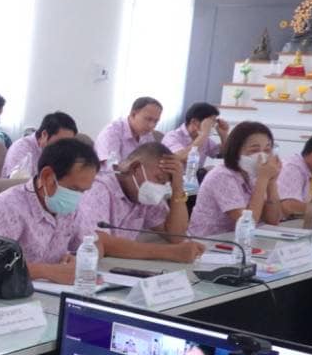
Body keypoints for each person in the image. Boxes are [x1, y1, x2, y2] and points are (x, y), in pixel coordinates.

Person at [0, 137, 104, 284]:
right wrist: (48, 271)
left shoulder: (71, 209)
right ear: (47, 176)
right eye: (74, 189)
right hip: (12, 292)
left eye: (83, 191)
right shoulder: (7, 207)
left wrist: (79, 260)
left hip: (54, 290)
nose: (77, 197)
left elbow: (95, 244)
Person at [75, 142, 205, 264]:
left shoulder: (142, 193)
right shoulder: (98, 188)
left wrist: (178, 188)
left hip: (118, 266)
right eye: (159, 179)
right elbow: (97, 241)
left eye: (166, 184)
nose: (161, 188)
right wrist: (170, 252)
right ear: (135, 168)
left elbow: (176, 236)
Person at [189, 121, 284, 237]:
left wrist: (271, 182)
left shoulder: (252, 174)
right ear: (236, 151)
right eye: (254, 150)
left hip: (241, 240)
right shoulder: (222, 176)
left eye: (267, 150)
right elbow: (248, 223)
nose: (262, 156)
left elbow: (273, 220)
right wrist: (263, 179)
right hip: (210, 241)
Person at [2, 112, 79, 179]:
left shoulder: (62, 152)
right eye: (61, 142)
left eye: (68, 143)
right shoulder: (21, 148)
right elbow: (18, 184)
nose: (64, 147)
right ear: (44, 134)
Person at [94, 97, 164, 166]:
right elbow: (112, 168)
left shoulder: (147, 135)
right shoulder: (111, 133)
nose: (151, 126)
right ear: (133, 114)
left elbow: (151, 162)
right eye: (148, 119)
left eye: (156, 121)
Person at [160, 102, 229, 168]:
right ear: (194, 122)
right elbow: (183, 157)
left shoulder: (204, 139)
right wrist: (204, 134)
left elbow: (223, 154)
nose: (213, 125)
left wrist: (224, 135)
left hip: (193, 175)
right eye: (210, 122)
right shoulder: (172, 136)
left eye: (214, 122)